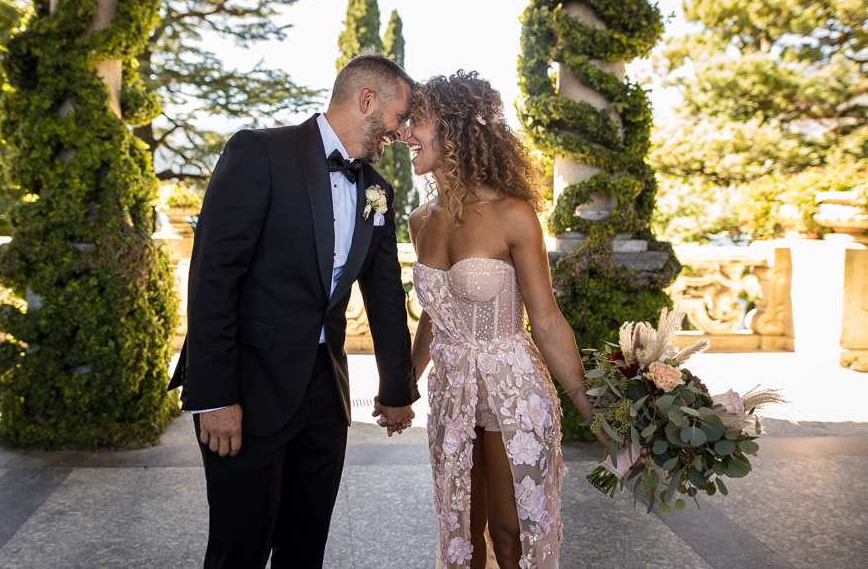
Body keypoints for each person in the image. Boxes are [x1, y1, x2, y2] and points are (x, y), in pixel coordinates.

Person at [169, 50, 420, 568]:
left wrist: (397, 391)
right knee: (238, 551)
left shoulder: (377, 191)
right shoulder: (259, 152)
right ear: (366, 99)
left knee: (305, 549)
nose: (400, 131)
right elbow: (214, 279)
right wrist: (214, 396)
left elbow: (386, 297)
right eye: (399, 117)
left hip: (325, 397)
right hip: (248, 388)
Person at [378, 70, 607, 568]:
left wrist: (595, 415)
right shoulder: (420, 220)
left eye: (416, 121)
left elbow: (546, 321)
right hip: (452, 395)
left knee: (510, 537)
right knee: (461, 538)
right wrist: (402, 390)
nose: (403, 133)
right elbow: (433, 320)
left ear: (456, 128)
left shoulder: (513, 214)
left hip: (513, 393)